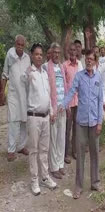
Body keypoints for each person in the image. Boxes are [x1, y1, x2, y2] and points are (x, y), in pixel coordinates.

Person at [60, 49, 103, 199]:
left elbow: (100, 101)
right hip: (81, 123)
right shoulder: (79, 76)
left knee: (95, 154)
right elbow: (71, 92)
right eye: (87, 59)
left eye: (92, 59)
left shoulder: (99, 78)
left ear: (96, 61)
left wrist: (100, 122)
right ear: (85, 60)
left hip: (94, 123)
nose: (89, 61)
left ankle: (95, 182)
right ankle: (78, 187)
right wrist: (63, 104)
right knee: (80, 157)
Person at [21, 43, 57, 196]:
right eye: (36, 54)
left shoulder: (43, 73)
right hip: (34, 117)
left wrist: (51, 110)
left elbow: (47, 95)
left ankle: (45, 177)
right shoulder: (28, 73)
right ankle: (34, 180)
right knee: (34, 151)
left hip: (45, 117)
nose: (39, 57)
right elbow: (22, 91)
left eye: (41, 55)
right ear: (31, 55)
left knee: (44, 149)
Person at [1, 35, 30, 162]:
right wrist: (2, 91)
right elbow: (4, 74)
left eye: (22, 45)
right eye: (18, 44)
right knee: (13, 121)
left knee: (24, 121)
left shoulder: (27, 57)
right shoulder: (10, 54)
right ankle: (11, 150)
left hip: (25, 94)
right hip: (13, 94)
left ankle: (22, 146)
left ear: (24, 46)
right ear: (15, 44)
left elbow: (29, 75)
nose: (20, 47)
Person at [42, 43, 67, 179]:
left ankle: (60, 163)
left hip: (62, 107)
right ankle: (54, 167)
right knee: (53, 138)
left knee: (61, 137)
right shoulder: (46, 67)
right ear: (50, 53)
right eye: (54, 52)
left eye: (58, 52)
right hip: (53, 109)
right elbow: (47, 91)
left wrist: (66, 105)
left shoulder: (62, 67)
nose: (56, 54)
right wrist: (51, 110)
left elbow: (65, 87)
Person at [63, 43, 83, 163]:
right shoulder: (64, 66)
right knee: (67, 129)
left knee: (76, 128)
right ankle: (65, 154)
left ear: (77, 52)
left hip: (78, 102)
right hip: (69, 103)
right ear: (68, 51)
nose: (72, 52)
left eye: (74, 50)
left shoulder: (79, 66)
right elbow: (64, 86)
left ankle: (74, 151)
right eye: (70, 50)